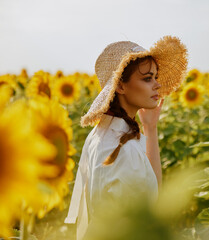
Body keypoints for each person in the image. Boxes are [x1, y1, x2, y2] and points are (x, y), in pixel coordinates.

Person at [64, 35, 188, 240]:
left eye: (155, 77)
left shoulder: (99, 134)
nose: (157, 85)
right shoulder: (123, 149)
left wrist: (150, 127)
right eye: (147, 78)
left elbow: (151, 191)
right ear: (120, 86)